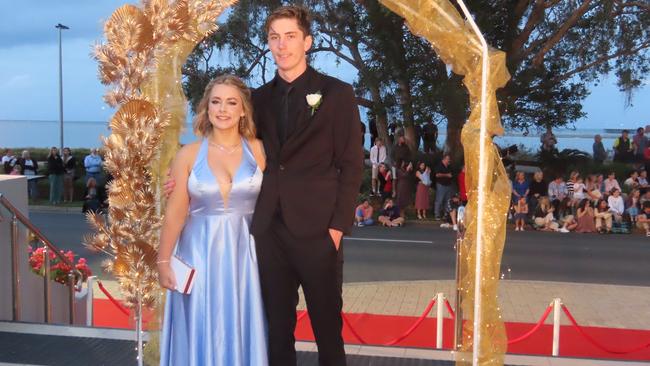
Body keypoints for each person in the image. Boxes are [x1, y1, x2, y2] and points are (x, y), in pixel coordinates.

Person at [248, 7, 363, 365]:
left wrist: (337, 228)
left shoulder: (337, 94)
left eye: (290, 36)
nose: (282, 45)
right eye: (274, 37)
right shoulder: (257, 99)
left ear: (307, 42)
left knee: (327, 331)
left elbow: (352, 164)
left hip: (318, 232)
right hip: (269, 230)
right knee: (276, 331)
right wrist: (188, 172)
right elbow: (237, 152)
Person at [158, 75, 268, 365]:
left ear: (243, 110)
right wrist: (163, 261)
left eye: (231, 102)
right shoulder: (188, 154)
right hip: (198, 256)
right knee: (199, 324)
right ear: (206, 108)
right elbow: (176, 213)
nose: (223, 109)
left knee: (245, 324)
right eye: (215, 102)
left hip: (247, 258)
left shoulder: (260, 150)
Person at [434, 154, 453, 220]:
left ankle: (446, 214)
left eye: (449, 159)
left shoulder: (449, 166)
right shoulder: (439, 165)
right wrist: (446, 175)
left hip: (448, 185)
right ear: (444, 159)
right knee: (439, 200)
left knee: (447, 201)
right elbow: (437, 175)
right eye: (448, 159)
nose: (449, 160)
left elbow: (451, 175)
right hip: (441, 185)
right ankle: (437, 215)